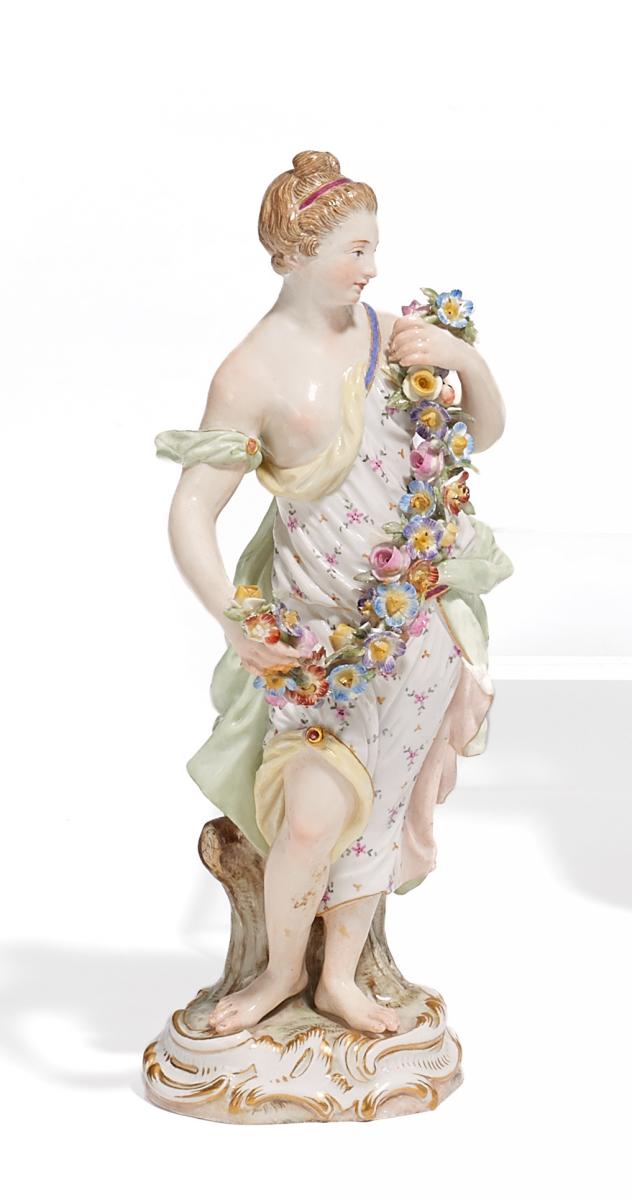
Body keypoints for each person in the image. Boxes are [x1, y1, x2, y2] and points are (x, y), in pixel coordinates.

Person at [154, 150, 512, 1037]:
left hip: (416, 628)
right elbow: (191, 512)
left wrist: (464, 360)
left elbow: (481, 434)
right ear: (295, 254)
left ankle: (342, 979)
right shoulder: (251, 373)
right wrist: (235, 620)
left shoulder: (399, 341)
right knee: (312, 821)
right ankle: (281, 972)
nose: (372, 267)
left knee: (380, 811)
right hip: (320, 648)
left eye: (374, 247)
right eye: (355, 250)